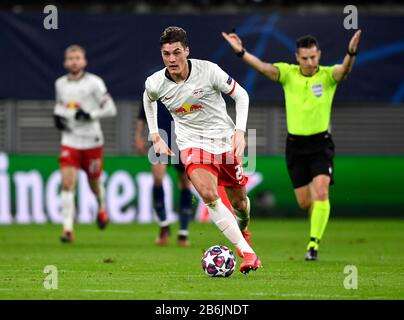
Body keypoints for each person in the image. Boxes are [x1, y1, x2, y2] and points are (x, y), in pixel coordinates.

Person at [222, 29, 362, 260]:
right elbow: (263, 67)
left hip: (321, 145)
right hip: (295, 146)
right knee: (305, 202)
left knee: (321, 191)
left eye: (313, 57)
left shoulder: (327, 76)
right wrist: (241, 52)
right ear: (297, 57)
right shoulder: (288, 74)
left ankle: (313, 245)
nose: (309, 62)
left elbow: (345, 68)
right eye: (305, 58)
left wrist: (351, 52)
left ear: (319, 55)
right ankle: (315, 227)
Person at [143, 26, 262, 274]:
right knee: (208, 194)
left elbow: (242, 96)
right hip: (191, 144)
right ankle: (248, 254)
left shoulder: (209, 71)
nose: (172, 59)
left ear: (187, 51)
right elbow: (148, 99)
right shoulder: (155, 82)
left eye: (176, 52)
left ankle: (244, 228)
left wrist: (240, 132)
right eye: (166, 54)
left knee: (240, 203)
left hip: (224, 142)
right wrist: (155, 135)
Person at [53, 45, 117, 242]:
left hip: (92, 140)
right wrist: (57, 116)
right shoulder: (60, 84)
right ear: (65, 62)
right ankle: (67, 229)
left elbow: (111, 109)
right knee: (67, 184)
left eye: (77, 57)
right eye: (70, 58)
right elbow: (59, 105)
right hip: (70, 139)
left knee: (94, 184)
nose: (74, 61)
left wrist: (90, 114)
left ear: (84, 61)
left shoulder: (95, 83)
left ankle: (102, 207)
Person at [135, 102, 193, 246]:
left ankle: (183, 232)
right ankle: (164, 225)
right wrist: (138, 136)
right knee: (158, 180)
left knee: (186, 184)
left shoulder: (187, 86)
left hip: (183, 142)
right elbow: (142, 116)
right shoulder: (154, 85)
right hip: (160, 139)